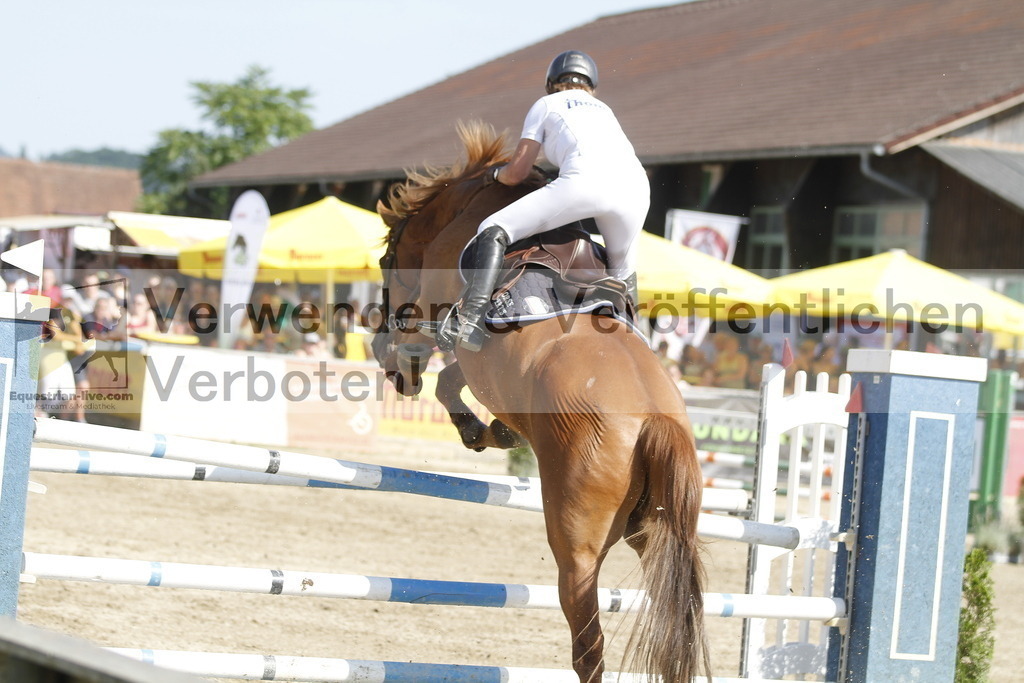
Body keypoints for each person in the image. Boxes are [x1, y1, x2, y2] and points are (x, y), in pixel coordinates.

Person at [450, 50, 650, 352]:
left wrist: (494, 176)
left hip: (585, 182)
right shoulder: (604, 109)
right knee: (621, 272)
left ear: (550, 82)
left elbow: (517, 173)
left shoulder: (547, 103)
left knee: (493, 228)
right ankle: (638, 344)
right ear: (591, 86)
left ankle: (471, 320)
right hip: (636, 189)